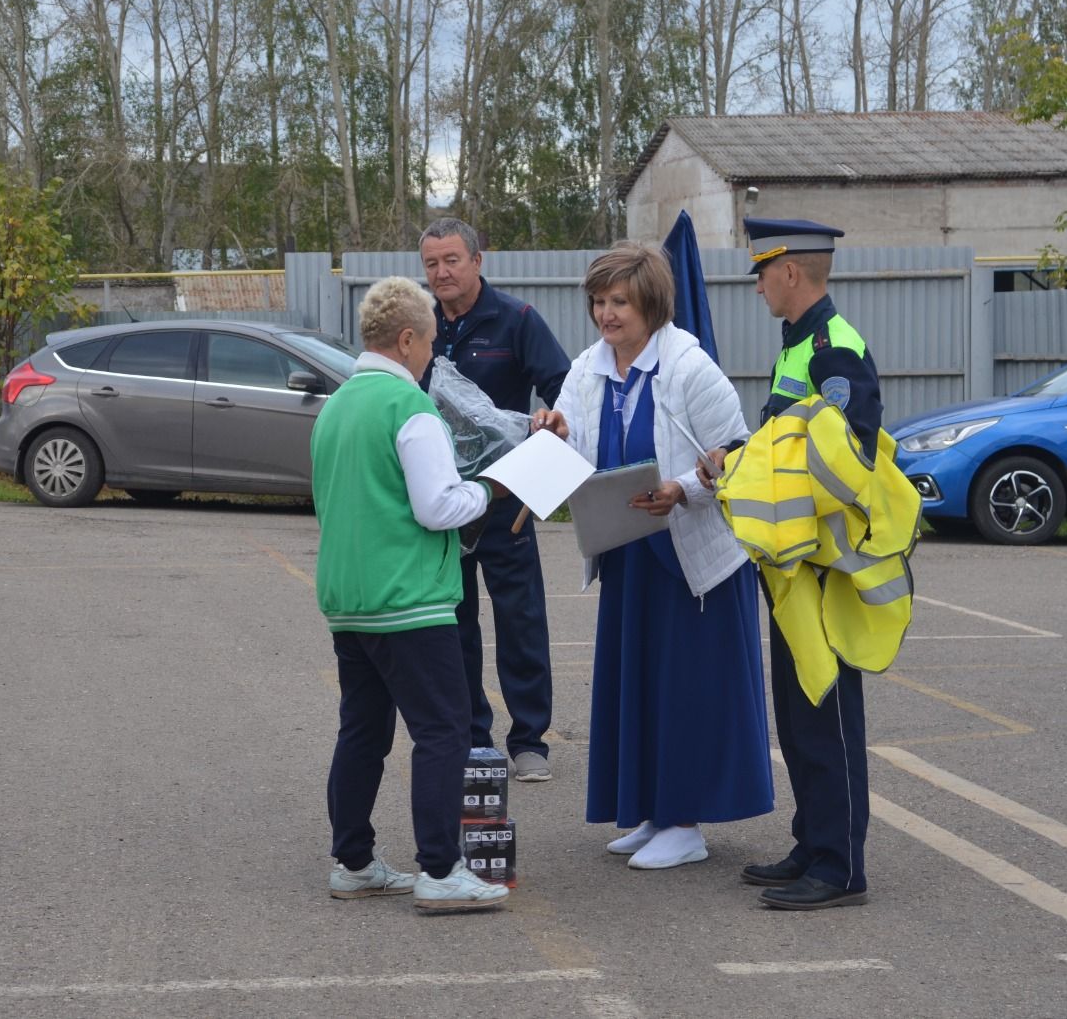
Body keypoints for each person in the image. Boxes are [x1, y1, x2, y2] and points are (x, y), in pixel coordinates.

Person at [542, 242, 773, 870]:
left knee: (688, 691)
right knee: (637, 686)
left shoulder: (691, 368)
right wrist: (553, 433)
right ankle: (650, 810)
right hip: (627, 553)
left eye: (619, 301)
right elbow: (576, 447)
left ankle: (685, 822)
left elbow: (739, 456)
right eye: (598, 301)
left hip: (692, 561)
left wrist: (686, 489)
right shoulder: (588, 367)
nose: (606, 314)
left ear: (651, 303)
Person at [311, 275, 521, 913]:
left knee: (362, 732)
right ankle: (439, 869)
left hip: (350, 600)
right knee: (442, 731)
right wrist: (495, 486)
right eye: (429, 343)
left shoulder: (337, 405)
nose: (433, 356)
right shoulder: (410, 408)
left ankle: (352, 859)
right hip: (411, 600)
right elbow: (437, 507)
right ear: (407, 341)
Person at [698, 217, 882, 909]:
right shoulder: (800, 346)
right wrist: (738, 464)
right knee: (801, 710)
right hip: (792, 566)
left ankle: (840, 866)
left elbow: (846, 462)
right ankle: (814, 840)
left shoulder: (834, 350)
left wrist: (753, 469)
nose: (756, 286)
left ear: (791, 273)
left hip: (826, 569)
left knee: (828, 714)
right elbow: (786, 451)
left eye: (761, 271)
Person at [418, 217, 570, 783]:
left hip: (507, 500)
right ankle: (474, 738)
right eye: (432, 263)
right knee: (454, 624)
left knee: (520, 620)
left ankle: (530, 741)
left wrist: (549, 425)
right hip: (446, 503)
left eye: (452, 260)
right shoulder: (421, 325)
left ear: (477, 261)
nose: (442, 273)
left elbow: (563, 388)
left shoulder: (517, 320)